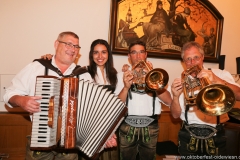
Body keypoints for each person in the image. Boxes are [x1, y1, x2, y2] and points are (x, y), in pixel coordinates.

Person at [3, 32, 116, 160]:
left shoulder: (83, 75)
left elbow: (94, 110)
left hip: (70, 147)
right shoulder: (36, 68)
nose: (73, 49)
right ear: (56, 44)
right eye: (68, 44)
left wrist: (106, 134)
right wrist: (21, 100)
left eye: (76, 46)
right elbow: (9, 94)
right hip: (40, 141)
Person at [40, 39, 119, 160]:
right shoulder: (83, 72)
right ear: (91, 55)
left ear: (108, 54)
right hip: (91, 124)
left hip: (109, 122)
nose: (100, 56)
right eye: (95, 52)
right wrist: (50, 58)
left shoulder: (114, 74)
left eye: (103, 52)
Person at [170, 41, 240, 156]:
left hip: (217, 137)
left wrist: (217, 80)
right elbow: (175, 115)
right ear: (184, 62)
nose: (192, 62)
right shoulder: (179, 81)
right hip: (188, 137)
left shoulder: (220, 74)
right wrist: (176, 97)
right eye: (188, 59)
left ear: (202, 57)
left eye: (196, 57)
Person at [114, 40, 172, 160]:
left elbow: (169, 101)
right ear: (129, 56)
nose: (138, 56)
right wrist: (126, 87)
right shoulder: (121, 76)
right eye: (134, 53)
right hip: (126, 126)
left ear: (146, 55)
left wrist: (153, 82)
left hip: (150, 125)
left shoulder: (156, 75)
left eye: (141, 52)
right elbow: (116, 106)